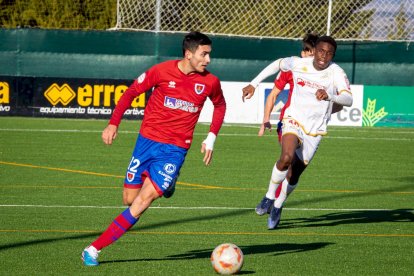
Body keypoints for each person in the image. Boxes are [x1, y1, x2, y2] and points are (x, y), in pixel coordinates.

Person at [81, 31, 226, 266]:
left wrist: (211, 137)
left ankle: (93, 249)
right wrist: (113, 123)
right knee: (129, 199)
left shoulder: (210, 82)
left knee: (142, 202)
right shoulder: (161, 71)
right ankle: (169, 183)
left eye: (209, 55)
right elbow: (131, 93)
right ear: (188, 54)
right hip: (146, 143)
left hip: (175, 150)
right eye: (204, 54)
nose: (208, 60)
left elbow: (220, 105)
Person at [243, 36, 353, 229]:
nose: (323, 56)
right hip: (293, 119)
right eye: (320, 51)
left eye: (329, 53)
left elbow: (348, 99)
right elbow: (278, 64)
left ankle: (278, 205)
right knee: (286, 157)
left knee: (294, 174)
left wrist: (330, 96)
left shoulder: (336, 72)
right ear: (315, 50)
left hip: (315, 129)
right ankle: (269, 197)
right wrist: (254, 83)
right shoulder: (298, 63)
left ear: (333, 55)